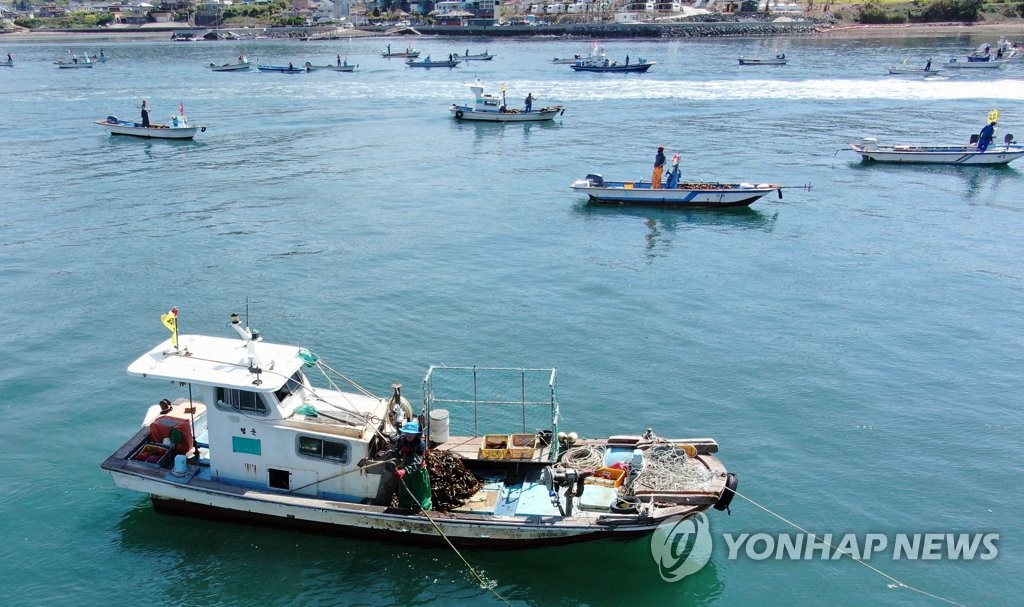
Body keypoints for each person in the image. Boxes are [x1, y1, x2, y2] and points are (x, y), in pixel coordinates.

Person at [388, 421, 432, 511]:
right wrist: (399, 452)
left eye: (412, 433)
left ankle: (426, 511)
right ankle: (404, 510)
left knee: (422, 494)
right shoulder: (402, 440)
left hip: (418, 473)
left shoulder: (420, 444)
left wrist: (405, 471)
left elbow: (417, 462)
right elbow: (396, 452)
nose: (409, 435)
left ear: (416, 433)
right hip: (404, 471)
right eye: (407, 432)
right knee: (404, 493)